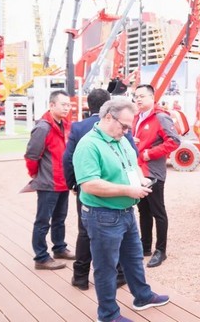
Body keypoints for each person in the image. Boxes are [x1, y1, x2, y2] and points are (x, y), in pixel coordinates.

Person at [73, 97, 170, 322]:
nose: (127, 131)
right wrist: (128, 190)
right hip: (102, 214)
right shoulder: (88, 145)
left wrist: (141, 180)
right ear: (108, 117)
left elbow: (132, 164)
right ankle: (107, 314)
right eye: (124, 126)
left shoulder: (120, 139)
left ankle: (142, 296)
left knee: (133, 258)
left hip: (124, 212)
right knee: (106, 267)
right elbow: (89, 185)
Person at [62, 88, 137, 290]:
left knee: (84, 232)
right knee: (116, 236)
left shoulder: (78, 127)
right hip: (113, 190)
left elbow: (68, 158)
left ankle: (80, 276)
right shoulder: (120, 127)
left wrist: (73, 184)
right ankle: (119, 275)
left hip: (85, 188)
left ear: (89, 105)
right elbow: (132, 155)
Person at [24, 89, 75, 270]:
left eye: (69, 105)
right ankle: (41, 257)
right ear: (52, 105)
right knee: (43, 220)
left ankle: (59, 248)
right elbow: (31, 156)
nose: (67, 108)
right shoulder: (43, 127)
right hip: (48, 183)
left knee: (60, 218)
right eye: (63, 104)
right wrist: (36, 175)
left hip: (62, 181)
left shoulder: (65, 125)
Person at [132, 84, 181, 267]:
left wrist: (149, 153)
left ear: (152, 98)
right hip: (138, 171)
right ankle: (145, 246)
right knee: (143, 210)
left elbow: (174, 141)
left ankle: (161, 250)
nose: (138, 99)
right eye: (136, 96)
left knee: (158, 211)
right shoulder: (136, 117)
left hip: (153, 172)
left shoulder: (161, 117)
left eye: (142, 96)